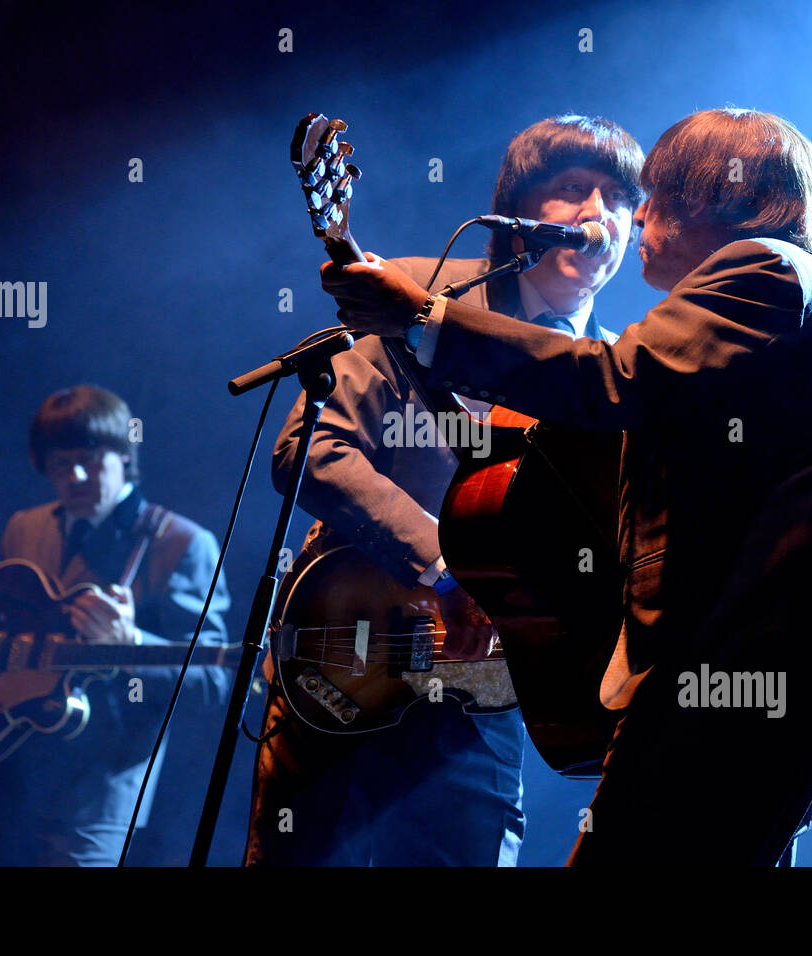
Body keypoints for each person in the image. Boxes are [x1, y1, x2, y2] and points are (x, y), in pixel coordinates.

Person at [320, 107, 812, 867]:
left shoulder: (765, 272)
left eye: (650, 195)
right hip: (723, 696)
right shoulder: (772, 299)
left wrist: (425, 318)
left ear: (710, 194)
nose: (635, 214)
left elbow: (611, 382)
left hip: (729, 693)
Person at [244, 116, 646, 866]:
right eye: (571, 190)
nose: (598, 215)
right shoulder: (416, 292)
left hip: (481, 695)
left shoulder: (606, 374)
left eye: (620, 200)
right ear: (517, 209)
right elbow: (311, 447)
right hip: (348, 655)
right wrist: (445, 566)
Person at [0, 384, 232, 865]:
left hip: (98, 792)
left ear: (124, 456)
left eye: (91, 459)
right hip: (9, 770)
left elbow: (214, 680)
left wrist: (131, 644)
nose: (76, 476)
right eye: (60, 465)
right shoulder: (25, 527)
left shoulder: (181, 544)